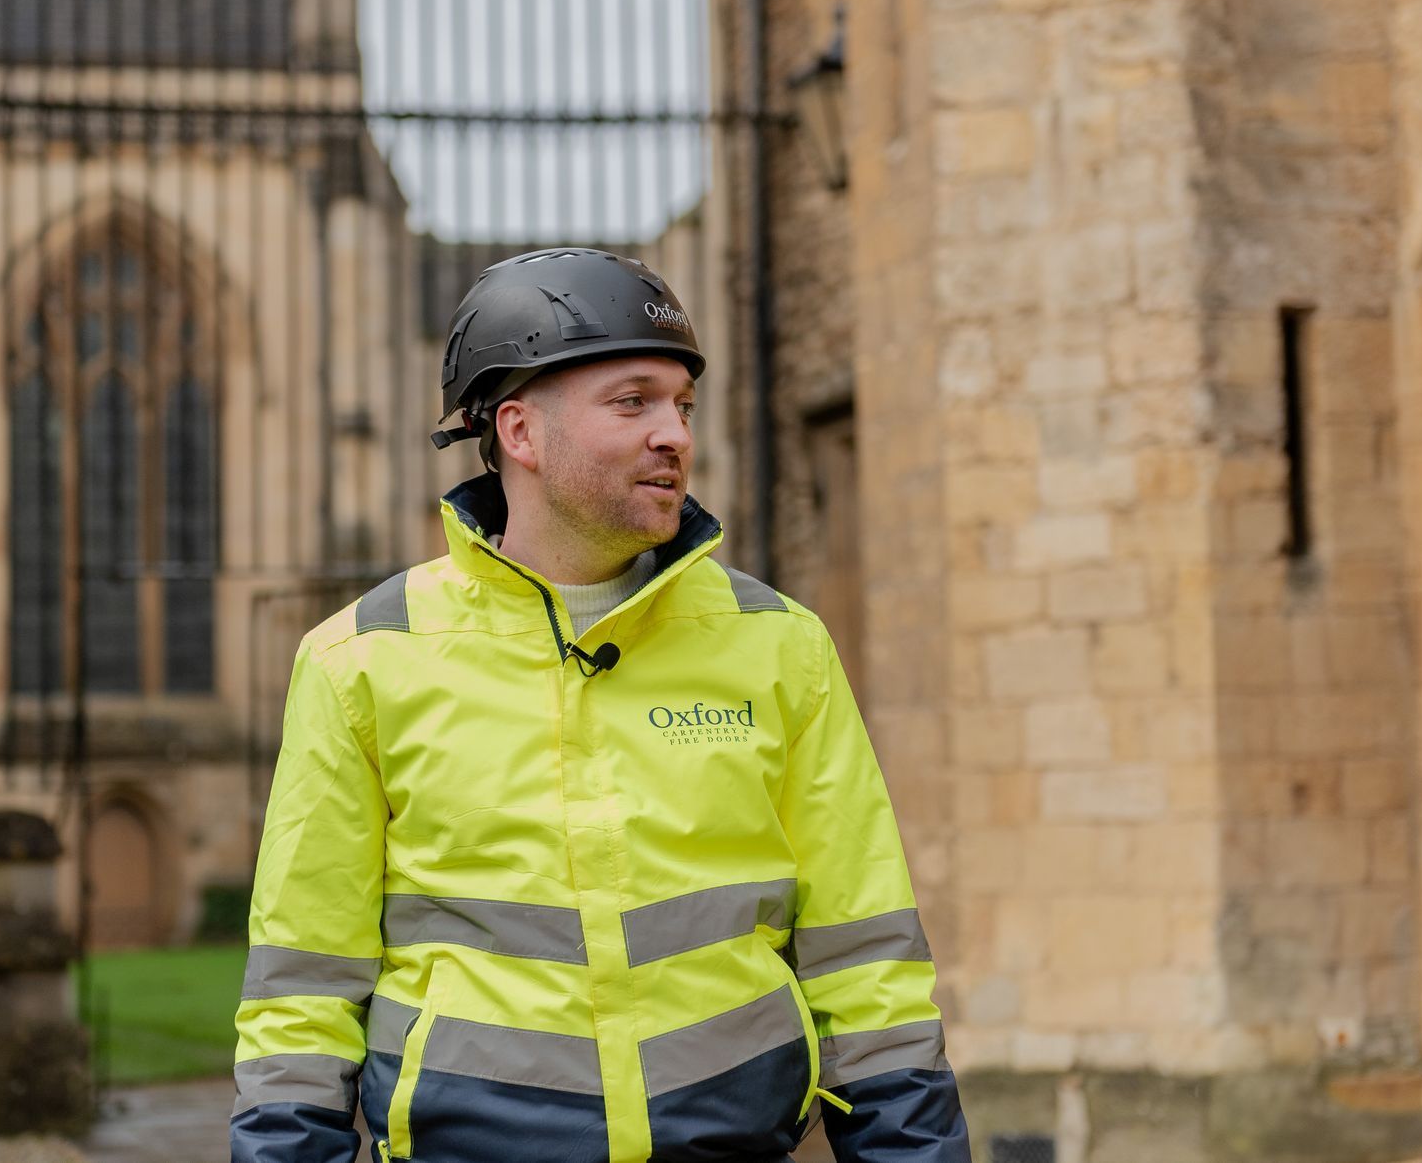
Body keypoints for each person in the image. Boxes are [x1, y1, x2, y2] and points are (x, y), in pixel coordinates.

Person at [230, 247, 970, 1163]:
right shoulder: (362, 660)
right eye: (633, 402)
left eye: (682, 406)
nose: (675, 435)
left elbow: (866, 960)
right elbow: (302, 988)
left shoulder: (780, 643)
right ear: (519, 433)